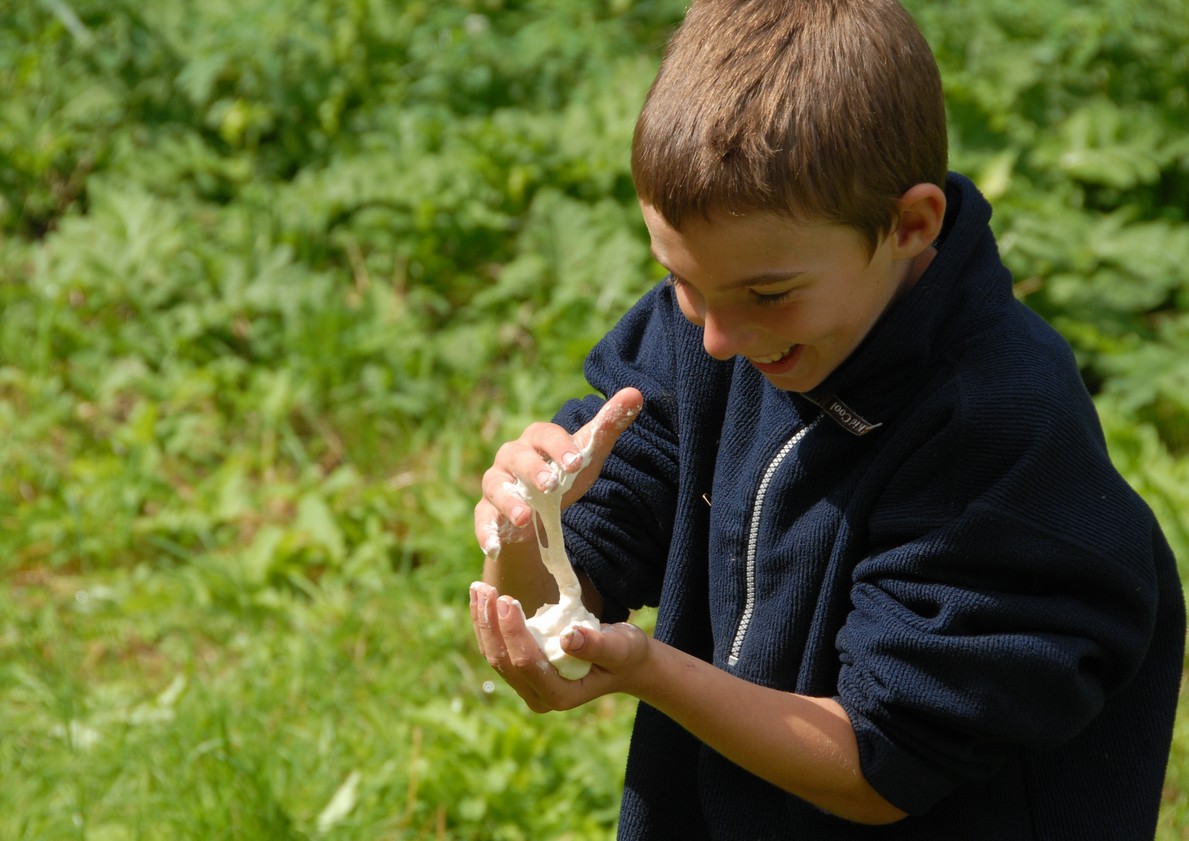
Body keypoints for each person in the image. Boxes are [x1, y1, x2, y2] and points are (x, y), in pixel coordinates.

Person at [470, 0, 1186, 837]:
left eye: (767, 293)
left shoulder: (995, 428)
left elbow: (878, 767)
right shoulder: (718, 319)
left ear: (910, 225)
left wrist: (649, 671)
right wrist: (527, 535)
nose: (714, 338)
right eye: (680, 280)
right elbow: (577, 585)